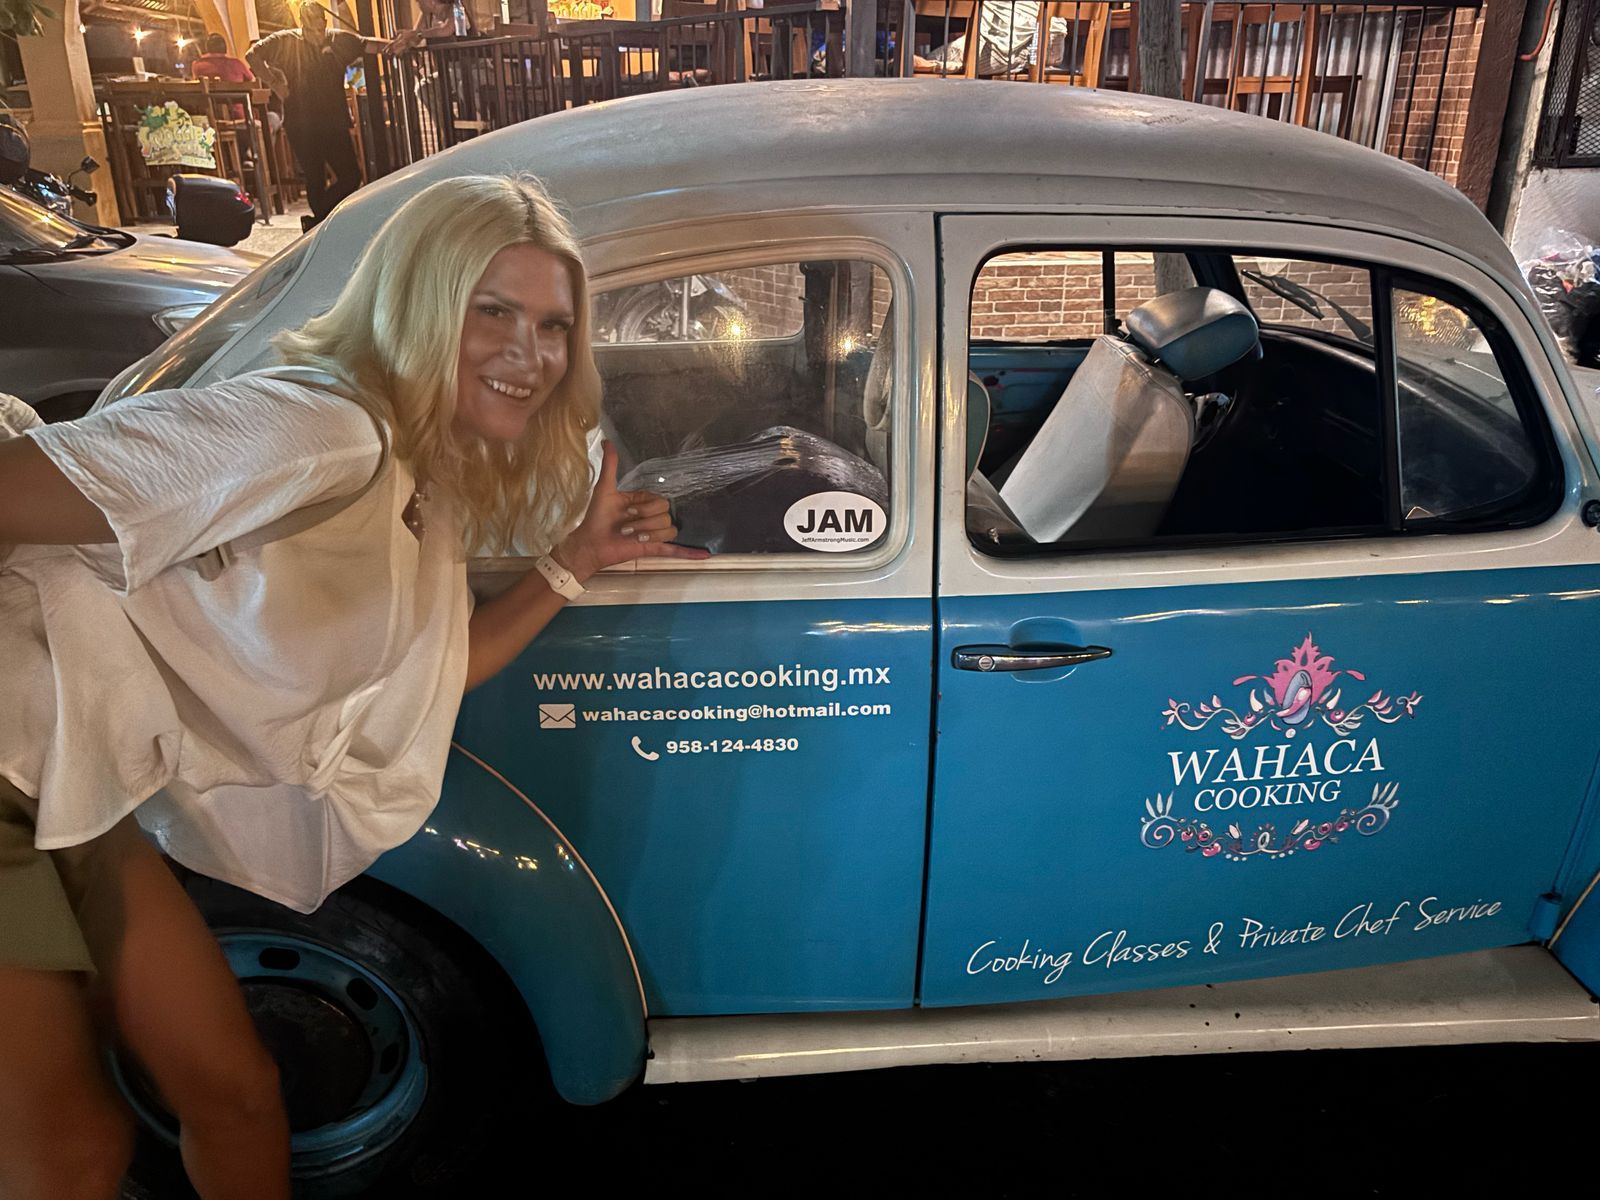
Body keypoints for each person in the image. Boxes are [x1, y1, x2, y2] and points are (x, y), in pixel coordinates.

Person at [0, 173, 705, 1200]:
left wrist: (572, 564)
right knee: (71, 1154)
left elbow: (429, 673)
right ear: (418, 304)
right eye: (491, 311)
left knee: (239, 1096)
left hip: (74, 781)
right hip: (13, 771)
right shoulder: (319, 428)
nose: (530, 354)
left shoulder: (417, 469)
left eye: (553, 325)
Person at [246, 3, 380, 228]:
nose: (317, 36)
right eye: (311, 31)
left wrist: (401, 43)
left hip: (334, 121)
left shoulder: (337, 39)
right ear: (302, 26)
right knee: (315, 177)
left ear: (325, 23)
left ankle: (317, 222)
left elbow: (368, 44)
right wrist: (274, 83)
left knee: (351, 176)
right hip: (301, 123)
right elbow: (252, 55)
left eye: (320, 29)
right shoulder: (286, 41)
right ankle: (321, 224)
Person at [191, 33, 256, 124]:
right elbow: (253, 81)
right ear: (225, 48)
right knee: (272, 118)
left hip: (210, 120)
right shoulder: (236, 64)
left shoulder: (197, 66)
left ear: (207, 48)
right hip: (239, 119)